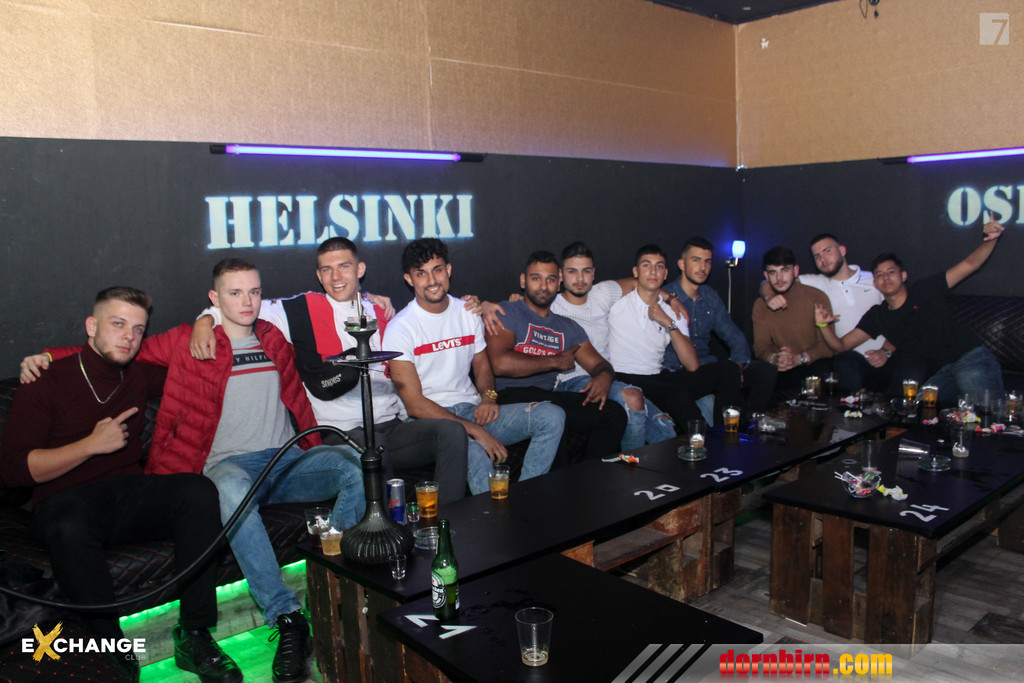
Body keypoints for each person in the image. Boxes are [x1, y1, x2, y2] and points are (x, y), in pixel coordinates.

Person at [23, 261, 367, 683]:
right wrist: (48, 357)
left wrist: (374, 302)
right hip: (230, 466)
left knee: (354, 465)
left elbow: (304, 375)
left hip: (286, 460)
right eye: (235, 293)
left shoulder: (273, 336)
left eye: (254, 292)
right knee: (227, 492)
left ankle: (331, 585)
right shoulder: (188, 340)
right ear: (214, 298)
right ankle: (287, 617)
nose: (247, 302)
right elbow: (117, 350)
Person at [2, 287, 240, 683]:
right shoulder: (44, 381)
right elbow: (13, 471)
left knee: (197, 491)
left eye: (138, 329)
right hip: (63, 501)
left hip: (128, 495)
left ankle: (195, 633)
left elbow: (197, 364)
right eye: (117, 324)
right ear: (91, 326)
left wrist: (205, 320)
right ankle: (109, 649)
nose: (128, 336)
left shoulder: (139, 374)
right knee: (69, 521)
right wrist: (91, 445)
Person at [190, 238, 470, 503]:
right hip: (341, 432)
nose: (336, 277)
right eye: (327, 270)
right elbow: (242, 307)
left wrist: (483, 307)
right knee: (373, 451)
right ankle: (386, 533)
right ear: (319, 275)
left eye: (344, 267)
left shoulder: (382, 313)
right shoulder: (299, 309)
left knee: (452, 432)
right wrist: (205, 320)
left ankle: (449, 523)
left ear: (360, 270)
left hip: (391, 426)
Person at [383, 239, 564, 494]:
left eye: (437, 270)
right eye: (421, 273)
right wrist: (475, 431)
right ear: (409, 279)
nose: (432, 280)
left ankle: (527, 499)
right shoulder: (400, 328)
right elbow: (414, 404)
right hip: (431, 423)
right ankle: (494, 518)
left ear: (448, 270)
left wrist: (488, 398)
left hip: (470, 408)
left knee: (552, 416)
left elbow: (482, 366)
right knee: (474, 451)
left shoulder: (467, 312)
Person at [815, 219, 1005, 405]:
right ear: (875, 284)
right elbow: (841, 346)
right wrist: (823, 325)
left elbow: (970, 265)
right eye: (879, 275)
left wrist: (991, 239)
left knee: (987, 413)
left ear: (903, 276)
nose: (886, 278)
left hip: (970, 359)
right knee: (918, 412)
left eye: (891, 272)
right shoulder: (879, 314)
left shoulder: (924, 290)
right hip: (942, 372)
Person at [486, 251, 627, 465]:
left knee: (613, 414)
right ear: (523, 281)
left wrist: (604, 377)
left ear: (559, 283)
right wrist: (554, 361)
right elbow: (499, 364)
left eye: (550, 280)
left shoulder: (567, 327)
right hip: (509, 397)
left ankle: (591, 476)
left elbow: (599, 363)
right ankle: (558, 484)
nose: (544, 286)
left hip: (547, 397)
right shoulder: (505, 312)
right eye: (536, 278)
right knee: (553, 413)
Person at [550, 241, 676, 448]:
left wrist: (671, 298)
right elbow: (522, 308)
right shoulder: (552, 305)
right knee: (633, 398)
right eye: (572, 272)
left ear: (593, 273)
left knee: (665, 426)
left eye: (586, 271)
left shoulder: (602, 293)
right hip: (570, 381)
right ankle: (632, 465)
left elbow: (639, 282)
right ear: (561, 275)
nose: (580, 279)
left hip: (608, 375)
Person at [608, 244, 743, 426]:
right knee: (678, 395)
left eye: (659, 266)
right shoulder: (617, 302)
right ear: (635, 271)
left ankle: (725, 432)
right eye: (646, 265)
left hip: (657, 376)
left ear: (665, 274)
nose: (653, 271)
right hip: (624, 376)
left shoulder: (673, 311)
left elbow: (692, 365)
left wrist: (669, 323)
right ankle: (700, 436)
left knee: (729, 370)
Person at [762, 233, 890, 395]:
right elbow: (771, 281)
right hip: (846, 361)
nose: (823, 259)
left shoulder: (874, 280)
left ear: (842, 250)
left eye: (827, 251)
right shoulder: (817, 283)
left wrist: (885, 351)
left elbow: (900, 317)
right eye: (817, 256)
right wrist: (769, 296)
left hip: (884, 356)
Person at [663, 237, 776, 411]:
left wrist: (737, 367)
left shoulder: (710, 296)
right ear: (682, 264)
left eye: (707, 261)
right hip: (678, 369)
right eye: (696, 260)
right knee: (723, 378)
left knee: (765, 371)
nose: (703, 267)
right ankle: (733, 421)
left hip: (710, 366)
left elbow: (735, 336)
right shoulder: (666, 296)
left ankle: (752, 421)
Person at [751, 246, 834, 401]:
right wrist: (776, 359)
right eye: (773, 272)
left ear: (795, 271)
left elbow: (828, 346)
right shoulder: (761, 305)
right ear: (766, 275)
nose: (779, 278)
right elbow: (760, 346)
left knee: (823, 368)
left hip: (811, 363)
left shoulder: (816, 297)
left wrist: (800, 358)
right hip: (780, 367)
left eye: (785, 270)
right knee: (761, 374)